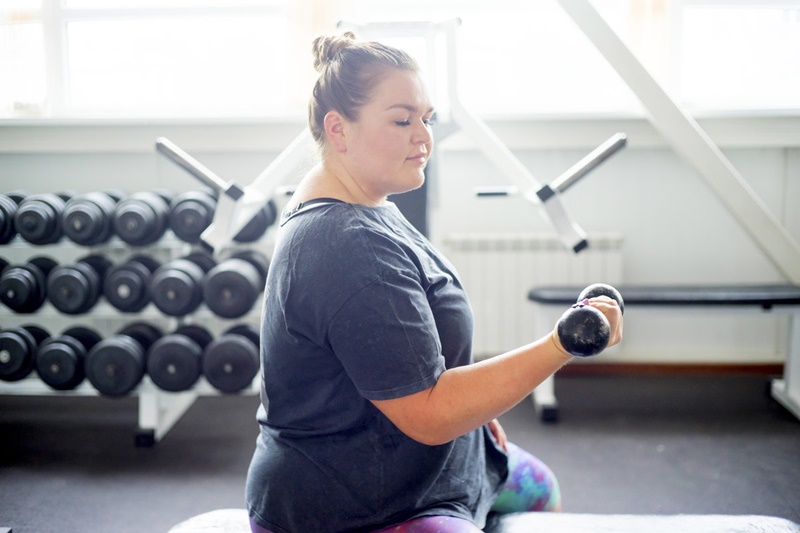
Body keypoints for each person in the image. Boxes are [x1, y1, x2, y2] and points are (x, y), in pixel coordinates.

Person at [245, 31, 623, 533]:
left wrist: (478, 407)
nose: (424, 137)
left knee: (540, 486)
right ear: (339, 130)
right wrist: (561, 345)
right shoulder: (347, 244)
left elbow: (401, 351)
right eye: (402, 120)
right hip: (350, 503)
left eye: (427, 119)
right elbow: (429, 413)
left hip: (412, 461)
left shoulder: (365, 202)